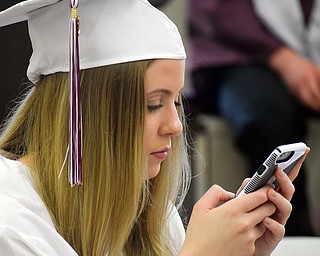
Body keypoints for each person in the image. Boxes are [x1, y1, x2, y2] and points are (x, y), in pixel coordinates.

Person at [0, 0, 308, 255]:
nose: (175, 127)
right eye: (153, 105)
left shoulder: (146, 211)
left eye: (176, 102)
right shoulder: (11, 226)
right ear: (82, 113)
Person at [187, 0, 319, 236]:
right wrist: (282, 58)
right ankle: (289, 234)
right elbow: (220, 10)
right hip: (242, 55)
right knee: (267, 117)